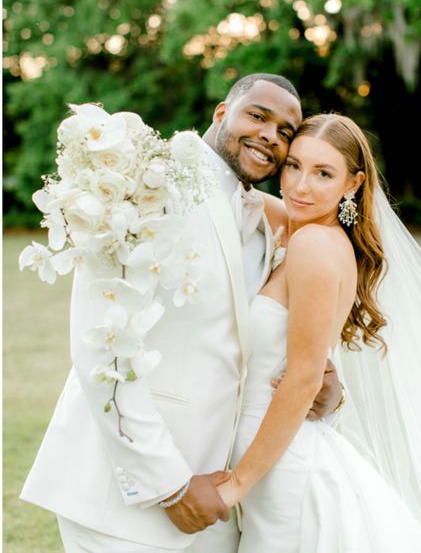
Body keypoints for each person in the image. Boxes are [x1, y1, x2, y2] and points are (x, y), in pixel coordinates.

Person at [20, 74, 344, 552]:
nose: (270, 135)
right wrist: (167, 485)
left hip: (216, 494)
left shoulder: (267, 224)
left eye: (285, 131)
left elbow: (260, 334)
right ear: (221, 113)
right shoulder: (142, 184)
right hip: (123, 495)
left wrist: (322, 380)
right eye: (258, 115)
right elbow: (101, 348)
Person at [212, 114, 421, 552]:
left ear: (352, 184)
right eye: (293, 166)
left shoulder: (314, 246)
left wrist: (237, 484)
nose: (299, 186)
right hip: (272, 456)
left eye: (323, 173)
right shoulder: (302, 231)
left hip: (281, 470)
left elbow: (305, 377)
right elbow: (236, 195)